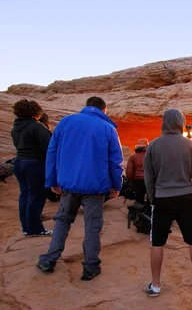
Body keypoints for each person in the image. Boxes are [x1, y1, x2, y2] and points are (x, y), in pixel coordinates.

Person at [37, 97, 123, 281]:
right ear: (103, 110)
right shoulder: (107, 128)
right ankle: (90, 267)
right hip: (95, 188)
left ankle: (49, 260)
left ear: (86, 107)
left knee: (62, 221)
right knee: (92, 227)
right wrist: (117, 185)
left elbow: (52, 152)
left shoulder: (66, 122)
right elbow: (115, 162)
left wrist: (52, 180)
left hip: (68, 184)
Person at [143, 109, 192, 297]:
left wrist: (153, 198)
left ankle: (155, 286)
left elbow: (148, 177)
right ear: (181, 123)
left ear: (164, 123)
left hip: (162, 198)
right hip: (185, 197)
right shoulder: (190, 145)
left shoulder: (153, 146)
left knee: (157, 243)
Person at [11, 99, 53, 237]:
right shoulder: (37, 127)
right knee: (36, 196)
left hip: (19, 162)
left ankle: (26, 227)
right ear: (36, 111)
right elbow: (48, 148)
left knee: (25, 195)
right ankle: (35, 229)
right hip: (34, 164)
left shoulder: (15, 127)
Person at [126, 138, 149, 204]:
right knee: (150, 200)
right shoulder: (151, 155)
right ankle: (148, 212)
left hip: (138, 180)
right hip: (150, 180)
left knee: (139, 200)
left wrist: (132, 181)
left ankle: (138, 212)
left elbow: (129, 172)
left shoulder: (133, 156)